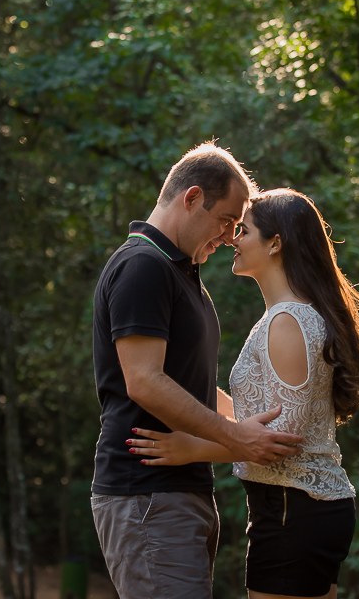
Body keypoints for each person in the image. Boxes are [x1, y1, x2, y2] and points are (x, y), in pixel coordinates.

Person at [128, 188, 359, 599]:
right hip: (299, 508)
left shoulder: (288, 320)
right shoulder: (288, 315)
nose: (232, 240)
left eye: (243, 230)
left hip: (293, 508)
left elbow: (278, 441)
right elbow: (261, 411)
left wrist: (191, 448)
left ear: (275, 244)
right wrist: (176, 387)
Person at [91, 143, 307, 599]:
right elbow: (144, 381)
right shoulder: (142, 267)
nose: (230, 236)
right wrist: (236, 438)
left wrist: (255, 424)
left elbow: (190, 382)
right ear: (191, 199)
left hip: (178, 493)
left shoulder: (180, 273)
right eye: (226, 220)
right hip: (146, 493)